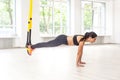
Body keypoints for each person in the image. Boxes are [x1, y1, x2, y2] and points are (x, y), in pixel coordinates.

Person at [27, 31, 97, 67]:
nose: (95, 40)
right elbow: (79, 53)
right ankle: (31, 47)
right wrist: (77, 63)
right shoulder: (82, 41)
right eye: (94, 39)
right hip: (62, 39)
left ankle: (33, 47)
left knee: (47, 44)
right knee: (47, 44)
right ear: (90, 37)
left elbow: (81, 52)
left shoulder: (83, 39)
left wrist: (80, 61)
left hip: (63, 38)